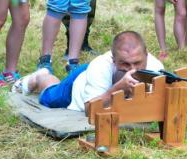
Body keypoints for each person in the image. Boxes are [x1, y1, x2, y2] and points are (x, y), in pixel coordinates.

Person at [13, 31, 164, 111]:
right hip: (78, 86)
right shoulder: (100, 66)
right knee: (50, 98)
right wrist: (118, 88)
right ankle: (40, 76)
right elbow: (89, 109)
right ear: (113, 59)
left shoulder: (156, 68)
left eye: (137, 63)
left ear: (146, 55)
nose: (132, 69)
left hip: (93, 75)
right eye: (125, 64)